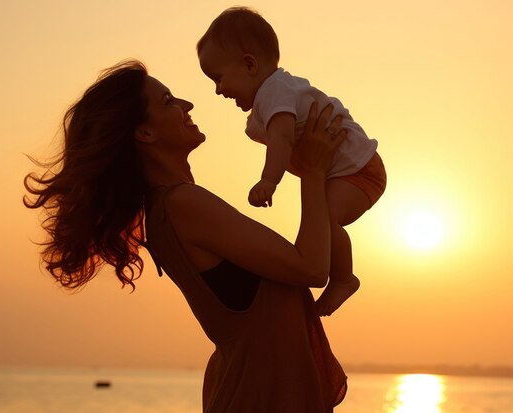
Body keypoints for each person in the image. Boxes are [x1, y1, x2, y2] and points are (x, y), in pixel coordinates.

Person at [24, 60, 348, 412]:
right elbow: (312, 267)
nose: (187, 105)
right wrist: (313, 172)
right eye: (168, 101)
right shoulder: (183, 204)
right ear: (144, 133)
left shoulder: (163, 211)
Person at [197, 6, 387, 316]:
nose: (219, 90)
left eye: (218, 79)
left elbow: (282, 139)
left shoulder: (276, 93)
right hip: (344, 172)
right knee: (321, 218)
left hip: (360, 170)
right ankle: (338, 275)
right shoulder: (270, 99)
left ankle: (343, 278)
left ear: (249, 64)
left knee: (324, 218)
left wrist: (268, 180)